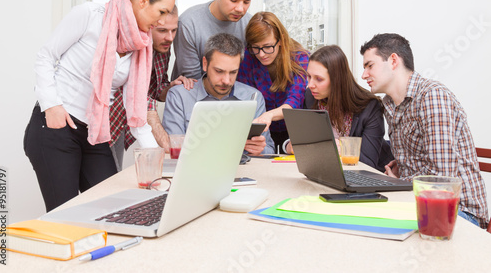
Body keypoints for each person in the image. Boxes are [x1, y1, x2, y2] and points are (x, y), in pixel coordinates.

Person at [24, 0, 176, 211]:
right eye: (161, 12)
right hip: (56, 127)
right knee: (65, 214)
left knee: (112, 208)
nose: (162, 21)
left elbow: (134, 109)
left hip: (94, 132)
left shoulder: (141, 44)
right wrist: (52, 106)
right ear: (144, 0)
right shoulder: (91, 16)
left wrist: (155, 163)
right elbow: (45, 56)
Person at [360, 33, 488, 228]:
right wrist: (398, 172)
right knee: (365, 217)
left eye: (370, 66)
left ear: (393, 60)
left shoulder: (432, 96)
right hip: (416, 202)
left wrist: (400, 182)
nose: (364, 75)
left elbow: (442, 178)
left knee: (380, 228)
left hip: (458, 211)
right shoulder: (388, 104)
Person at [109, 6, 196, 170]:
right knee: (104, 182)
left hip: (120, 125)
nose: (169, 38)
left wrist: (170, 87)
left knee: (111, 177)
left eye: (173, 31)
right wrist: (169, 147)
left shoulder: (163, 47)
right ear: (150, 25)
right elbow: (138, 95)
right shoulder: (131, 46)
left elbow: (156, 91)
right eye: (162, 30)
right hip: (102, 121)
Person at [163, 33, 275, 156]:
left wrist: (260, 150)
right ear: (205, 64)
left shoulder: (253, 97)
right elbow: (173, 149)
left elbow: (270, 150)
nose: (226, 81)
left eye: (233, 72)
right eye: (219, 71)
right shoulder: (179, 96)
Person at [285, 45, 394, 171]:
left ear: (337, 80)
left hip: (370, 177)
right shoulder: (310, 97)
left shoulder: (370, 106)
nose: (310, 85)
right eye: (309, 77)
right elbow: (302, 138)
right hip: (329, 172)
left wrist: (342, 149)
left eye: (319, 79)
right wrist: (289, 145)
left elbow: (369, 163)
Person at [237, 12, 309, 153]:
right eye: (255, 47)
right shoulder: (248, 59)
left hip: (295, 135)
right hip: (262, 136)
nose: (261, 54)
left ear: (281, 40)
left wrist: (268, 115)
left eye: (268, 47)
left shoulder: (300, 58)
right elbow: (244, 99)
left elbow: (294, 101)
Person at [171, 0, 255, 80]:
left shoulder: (250, 25)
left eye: (246, 2)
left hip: (235, 94)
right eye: (233, 0)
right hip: (192, 95)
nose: (240, 9)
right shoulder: (188, 24)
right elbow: (192, 81)